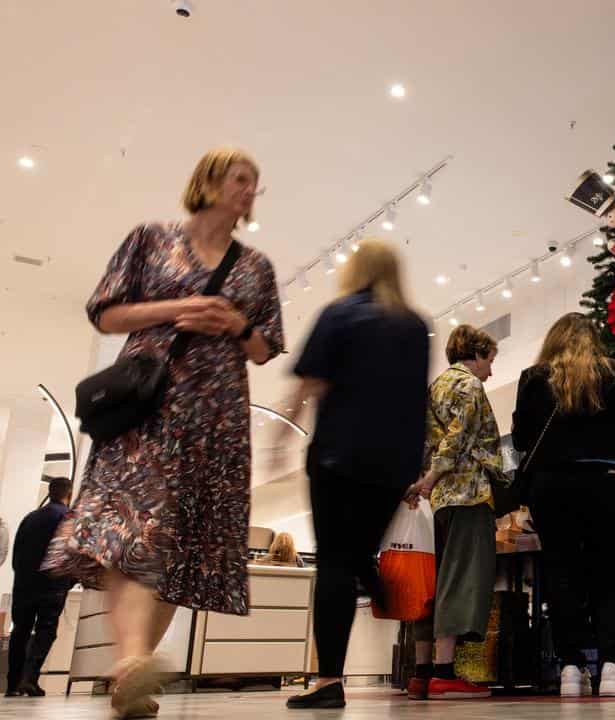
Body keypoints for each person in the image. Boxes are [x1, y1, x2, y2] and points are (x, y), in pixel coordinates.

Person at [42, 146, 283, 719]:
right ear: (208, 181)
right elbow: (105, 312)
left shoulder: (256, 267)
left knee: (182, 545)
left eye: (255, 183)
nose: (249, 189)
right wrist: (179, 308)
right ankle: (130, 662)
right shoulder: (151, 239)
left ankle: (134, 669)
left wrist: (235, 322)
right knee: (133, 529)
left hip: (216, 419)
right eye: (239, 178)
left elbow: (265, 346)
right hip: (149, 408)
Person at [278, 238, 431, 710]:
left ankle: (328, 681)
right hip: (393, 464)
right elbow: (416, 399)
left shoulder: (339, 314)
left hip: (338, 457)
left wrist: (278, 438)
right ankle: (376, 580)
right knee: (357, 551)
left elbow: (310, 383)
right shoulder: (415, 327)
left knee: (335, 563)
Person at [512, 313, 615, 697]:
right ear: (594, 340)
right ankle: (612, 668)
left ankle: (571, 667)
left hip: (551, 485)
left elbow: (521, 439)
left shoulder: (534, 378)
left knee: (561, 571)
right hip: (605, 482)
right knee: (608, 572)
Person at [403, 324, 501, 701]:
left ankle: (421, 672)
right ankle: (445, 674)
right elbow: (457, 440)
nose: (490, 371)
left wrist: (423, 483)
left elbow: (428, 440)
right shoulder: (469, 386)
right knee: (461, 581)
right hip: (468, 494)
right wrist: (430, 478)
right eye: (489, 360)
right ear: (475, 355)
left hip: (441, 500)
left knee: (434, 581)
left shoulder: (436, 386)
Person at [6, 477, 75, 698]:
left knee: (20, 631)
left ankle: (12, 684)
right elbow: (70, 551)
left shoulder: (30, 517)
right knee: (46, 630)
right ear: (69, 494)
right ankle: (30, 678)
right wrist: (69, 580)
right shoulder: (68, 517)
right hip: (52, 584)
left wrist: (21, 577)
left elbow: (16, 554)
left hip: (24, 584)